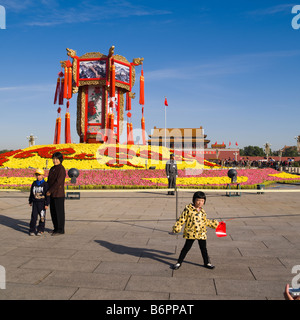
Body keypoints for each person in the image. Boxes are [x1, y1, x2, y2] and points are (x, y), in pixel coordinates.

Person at [171, 191, 219, 270]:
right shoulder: (188, 209)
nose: (200, 203)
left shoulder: (202, 211)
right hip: (191, 233)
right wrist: (177, 227)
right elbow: (182, 219)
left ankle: (207, 262)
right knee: (186, 248)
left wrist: (213, 224)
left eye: (202, 201)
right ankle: (179, 262)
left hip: (201, 233)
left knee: (203, 249)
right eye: (198, 200)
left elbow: (205, 221)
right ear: (194, 200)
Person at [46, 152, 66, 236]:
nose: (55, 160)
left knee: (59, 212)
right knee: (53, 212)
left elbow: (58, 182)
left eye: (56, 159)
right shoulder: (52, 168)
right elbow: (49, 181)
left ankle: (60, 230)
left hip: (58, 194)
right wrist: (46, 189)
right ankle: (55, 228)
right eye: (53, 159)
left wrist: (50, 191)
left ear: (60, 160)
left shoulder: (61, 169)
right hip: (52, 194)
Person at [28, 169, 50, 236]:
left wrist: (47, 204)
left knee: (42, 217)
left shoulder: (45, 184)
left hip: (42, 203)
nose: (38, 177)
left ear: (43, 175)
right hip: (35, 203)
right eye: (37, 175)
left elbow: (48, 195)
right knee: (34, 217)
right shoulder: (34, 183)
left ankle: (40, 229)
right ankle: (32, 230)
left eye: (39, 175)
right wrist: (30, 200)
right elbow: (31, 193)